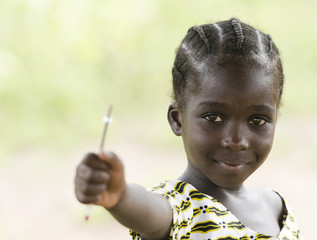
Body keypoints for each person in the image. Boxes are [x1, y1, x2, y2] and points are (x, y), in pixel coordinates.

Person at [74, 18, 302, 240]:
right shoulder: (180, 208)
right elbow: (149, 212)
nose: (236, 140)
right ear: (177, 119)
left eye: (257, 120)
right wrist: (121, 196)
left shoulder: (277, 208)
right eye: (214, 117)